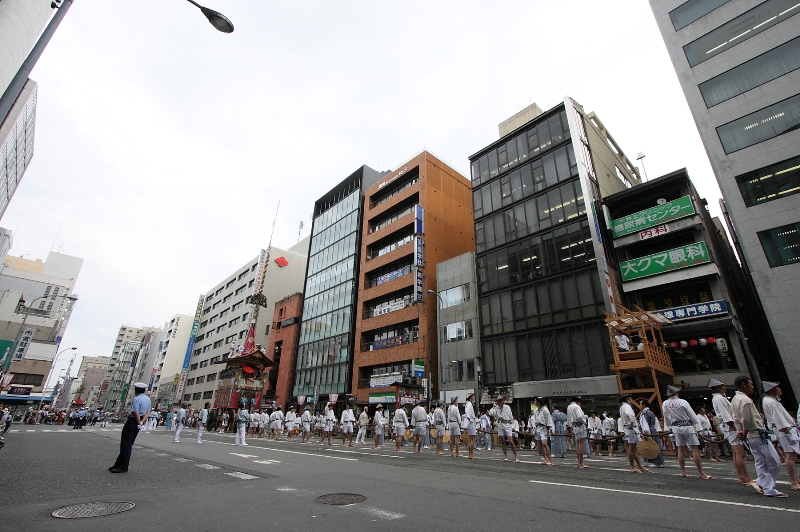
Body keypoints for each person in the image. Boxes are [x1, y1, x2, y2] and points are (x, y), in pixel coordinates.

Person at [662, 385, 712, 480]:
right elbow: (691, 414)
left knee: (680, 449)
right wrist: (696, 426)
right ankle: (701, 472)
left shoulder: (665, 403)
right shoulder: (682, 402)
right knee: (694, 449)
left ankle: (683, 471)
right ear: (676, 393)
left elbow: (666, 416)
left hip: (676, 427)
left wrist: (668, 427)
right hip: (687, 426)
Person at [762, 381, 800, 492]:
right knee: (790, 455)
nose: (780, 389)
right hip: (784, 430)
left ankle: (796, 479)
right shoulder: (771, 402)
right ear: (771, 390)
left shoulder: (772, 400)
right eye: (777, 388)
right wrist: (787, 432)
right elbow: (779, 420)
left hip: (786, 429)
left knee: (791, 455)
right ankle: (793, 482)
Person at [109, 382, 150, 473]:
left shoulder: (136, 399)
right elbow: (148, 412)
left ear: (136, 390)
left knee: (126, 444)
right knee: (128, 443)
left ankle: (123, 466)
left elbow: (136, 412)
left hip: (133, 421)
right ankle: (118, 464)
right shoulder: (147, 399)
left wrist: (138, 422)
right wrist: (141, 423)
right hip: (140, 421)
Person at [619, 394, 649, 473]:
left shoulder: (622, 407)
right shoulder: (627, 407)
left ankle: (639, 466)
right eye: (630, 398)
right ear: (627, 399)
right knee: (632, 448)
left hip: (628, 428)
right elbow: (630, 415)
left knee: (633, 448)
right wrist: (632, 423)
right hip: (631, 428)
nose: (631, 400)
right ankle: (632, 466)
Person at [492, 396, 518, 463]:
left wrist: (512, 426)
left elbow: (510, 416)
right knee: (503, 441)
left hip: (507, 424)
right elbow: (491, 413)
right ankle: (506, 456)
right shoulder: (496, 408)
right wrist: (493, 406)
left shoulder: (507, 407)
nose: (503, 401)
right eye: (501, 400)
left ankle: (516, 456)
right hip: (500, 425)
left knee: (510, 441)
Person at [638, 401, 664, 467]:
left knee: (652, 446)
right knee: (655, 445)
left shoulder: (644, 413)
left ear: (643, 405)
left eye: (640, 404)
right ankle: (656, 461)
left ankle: (656, 462)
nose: (639, 405)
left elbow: (645, 424)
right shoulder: (651, 412)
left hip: (649, 430)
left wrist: (646, 433)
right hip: (653, 429)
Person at [567, 396, 589, 469]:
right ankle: (581, 463)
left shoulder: (569, 407)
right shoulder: (576, 407)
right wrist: (585, 421)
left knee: (578, 444)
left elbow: (569, 418)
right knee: (581, 445)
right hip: (580, 425)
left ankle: (579, 462)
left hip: (574, 426)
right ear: (579, 402)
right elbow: (579, 417)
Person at [532, 397, 554, 466]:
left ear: (539, 402)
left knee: (544, 443)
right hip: (537, 427)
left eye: (535, 401)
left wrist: (548, 429)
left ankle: (549, 459)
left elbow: (548, 420)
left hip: (544, 427)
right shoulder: (535, 410)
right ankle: (545, 458)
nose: (534, 402)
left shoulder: (545, 410)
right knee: (541, 444)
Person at [464, 394, 478, 459]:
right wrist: (469, 418)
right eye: (472, 397)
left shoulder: (468, 404)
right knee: (472, 439)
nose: (473, 398)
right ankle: (471, 454)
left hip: (469, 422)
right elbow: (467, 413)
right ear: (470, 398)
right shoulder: (469, 404)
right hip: (471, 422)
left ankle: (470, 454)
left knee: (470, 439)